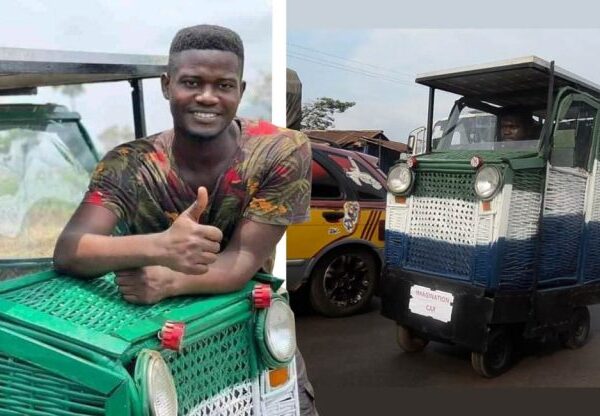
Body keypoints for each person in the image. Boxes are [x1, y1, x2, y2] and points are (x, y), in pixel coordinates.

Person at [53, 24, 317, 415]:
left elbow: (239, 264)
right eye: (191, 82)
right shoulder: (129, 165)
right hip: (156, 348)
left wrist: (169, 278)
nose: (207, 97)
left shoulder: (280, 151)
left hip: (249, 329)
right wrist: (158, 245)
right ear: (166, 85)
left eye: (224, 85)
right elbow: (70, 250)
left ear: (240, 92)